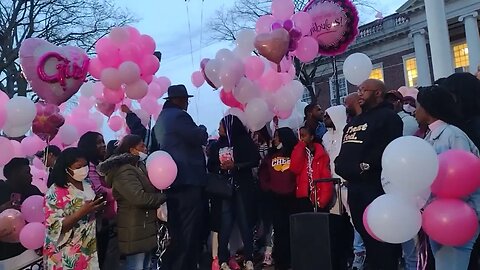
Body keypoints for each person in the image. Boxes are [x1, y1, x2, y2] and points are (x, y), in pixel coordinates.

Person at [335, 79, 403, 270]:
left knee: (382, 240)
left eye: (364, 90)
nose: (360, 94)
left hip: (375, 188)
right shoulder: (355, 121)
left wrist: (365, 166)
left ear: (378, 93)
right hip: (354, 188)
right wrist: (340, 165)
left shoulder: (388, 118)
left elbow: (387, 149)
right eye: (358, 90)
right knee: (365, 235)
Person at [415, 85, 480, 270]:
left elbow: (465, 177)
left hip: (458, 216)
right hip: (438, 215)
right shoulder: (429, 137)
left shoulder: (453, 135)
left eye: (418, 105)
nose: (415, 110)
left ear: (428, 107)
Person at [153, 84, 208, 270]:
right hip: (187, 180)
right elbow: (197, 137)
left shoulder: (160, 119)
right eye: (186, 100)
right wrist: (202, 128)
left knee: (177, 231)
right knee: (188, 231)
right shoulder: (179, 116)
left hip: (173, 183)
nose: (187, 103)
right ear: (179, 100)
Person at [98, 134, 167, 270]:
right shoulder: (124, 171)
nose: (145, 148)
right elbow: (138, 198)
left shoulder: (139, 166)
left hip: (143, 225)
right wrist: (163, 197)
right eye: (141, 145)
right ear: (132, 150)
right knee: (136, 266)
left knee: (146, 265)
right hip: (134, 226)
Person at [208, 115, 260, 270]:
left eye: (221, 126)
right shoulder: (217, 145)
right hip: (224, 190)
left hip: (242, 188)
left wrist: (236, 166)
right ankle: (223, 259)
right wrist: (220, 168)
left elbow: (254, 160)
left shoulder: (244, 141)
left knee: (245, 224)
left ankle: (249, 258)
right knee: (225, 225)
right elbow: (211, 165)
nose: (219, 129)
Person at [44, 148, 106, 269]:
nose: (83, 169)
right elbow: (53, 227)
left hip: (89, 246)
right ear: (66, 168)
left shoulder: (88, 183)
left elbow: (90, 209)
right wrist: (81, 213)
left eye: (85, 165)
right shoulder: (55, 192)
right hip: (66, 252)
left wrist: (96, 208)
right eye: (78, 167)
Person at [259, 127, 298, 270]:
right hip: (275, 197)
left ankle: (296, 260)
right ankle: (282, 262)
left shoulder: (294, 153)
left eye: (277, 136)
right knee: (279, 230)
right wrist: (267, 187)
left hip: (293, 197)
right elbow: (263, 174)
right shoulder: (270, 156)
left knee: (293, 230)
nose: (274, 139)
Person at [78, 131, 116, 269]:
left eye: (103, 142)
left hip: (103, 218)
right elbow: (98, 189)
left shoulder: (100, 164)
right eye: (98, 142)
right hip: (94, 221)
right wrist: (117, 192)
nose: (103, 145)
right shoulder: (88, 166)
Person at [0, 158, 41, 269]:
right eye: (27, 172)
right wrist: (3, 208)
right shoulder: (1, 189)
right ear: (14, 174)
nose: (31, 176)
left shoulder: (32, 191)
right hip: (5, 256)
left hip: (31, 251)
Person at [290, 126, 333, 213]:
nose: (301, 139)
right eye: (300, 136)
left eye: (304, 136)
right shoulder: (298, 151)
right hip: (304, 196)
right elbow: (295, 169)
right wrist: (300, 147)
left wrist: (323, 199)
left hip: (319, 196)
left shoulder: (321, 154)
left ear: (311, 137)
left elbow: (325, 177)